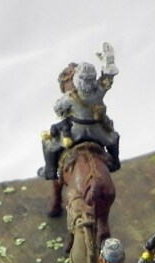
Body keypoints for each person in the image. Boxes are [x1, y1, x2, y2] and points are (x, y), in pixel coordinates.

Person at [40, 43, 120, 181]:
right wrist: (108, 63)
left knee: (49, 144)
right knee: (113, 139)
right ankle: (115, 163)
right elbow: (107, 79)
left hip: (75, 132)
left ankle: (50, 171)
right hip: (97, 130)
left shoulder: (70, 97)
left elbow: (58, 109)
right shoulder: (98, 92)